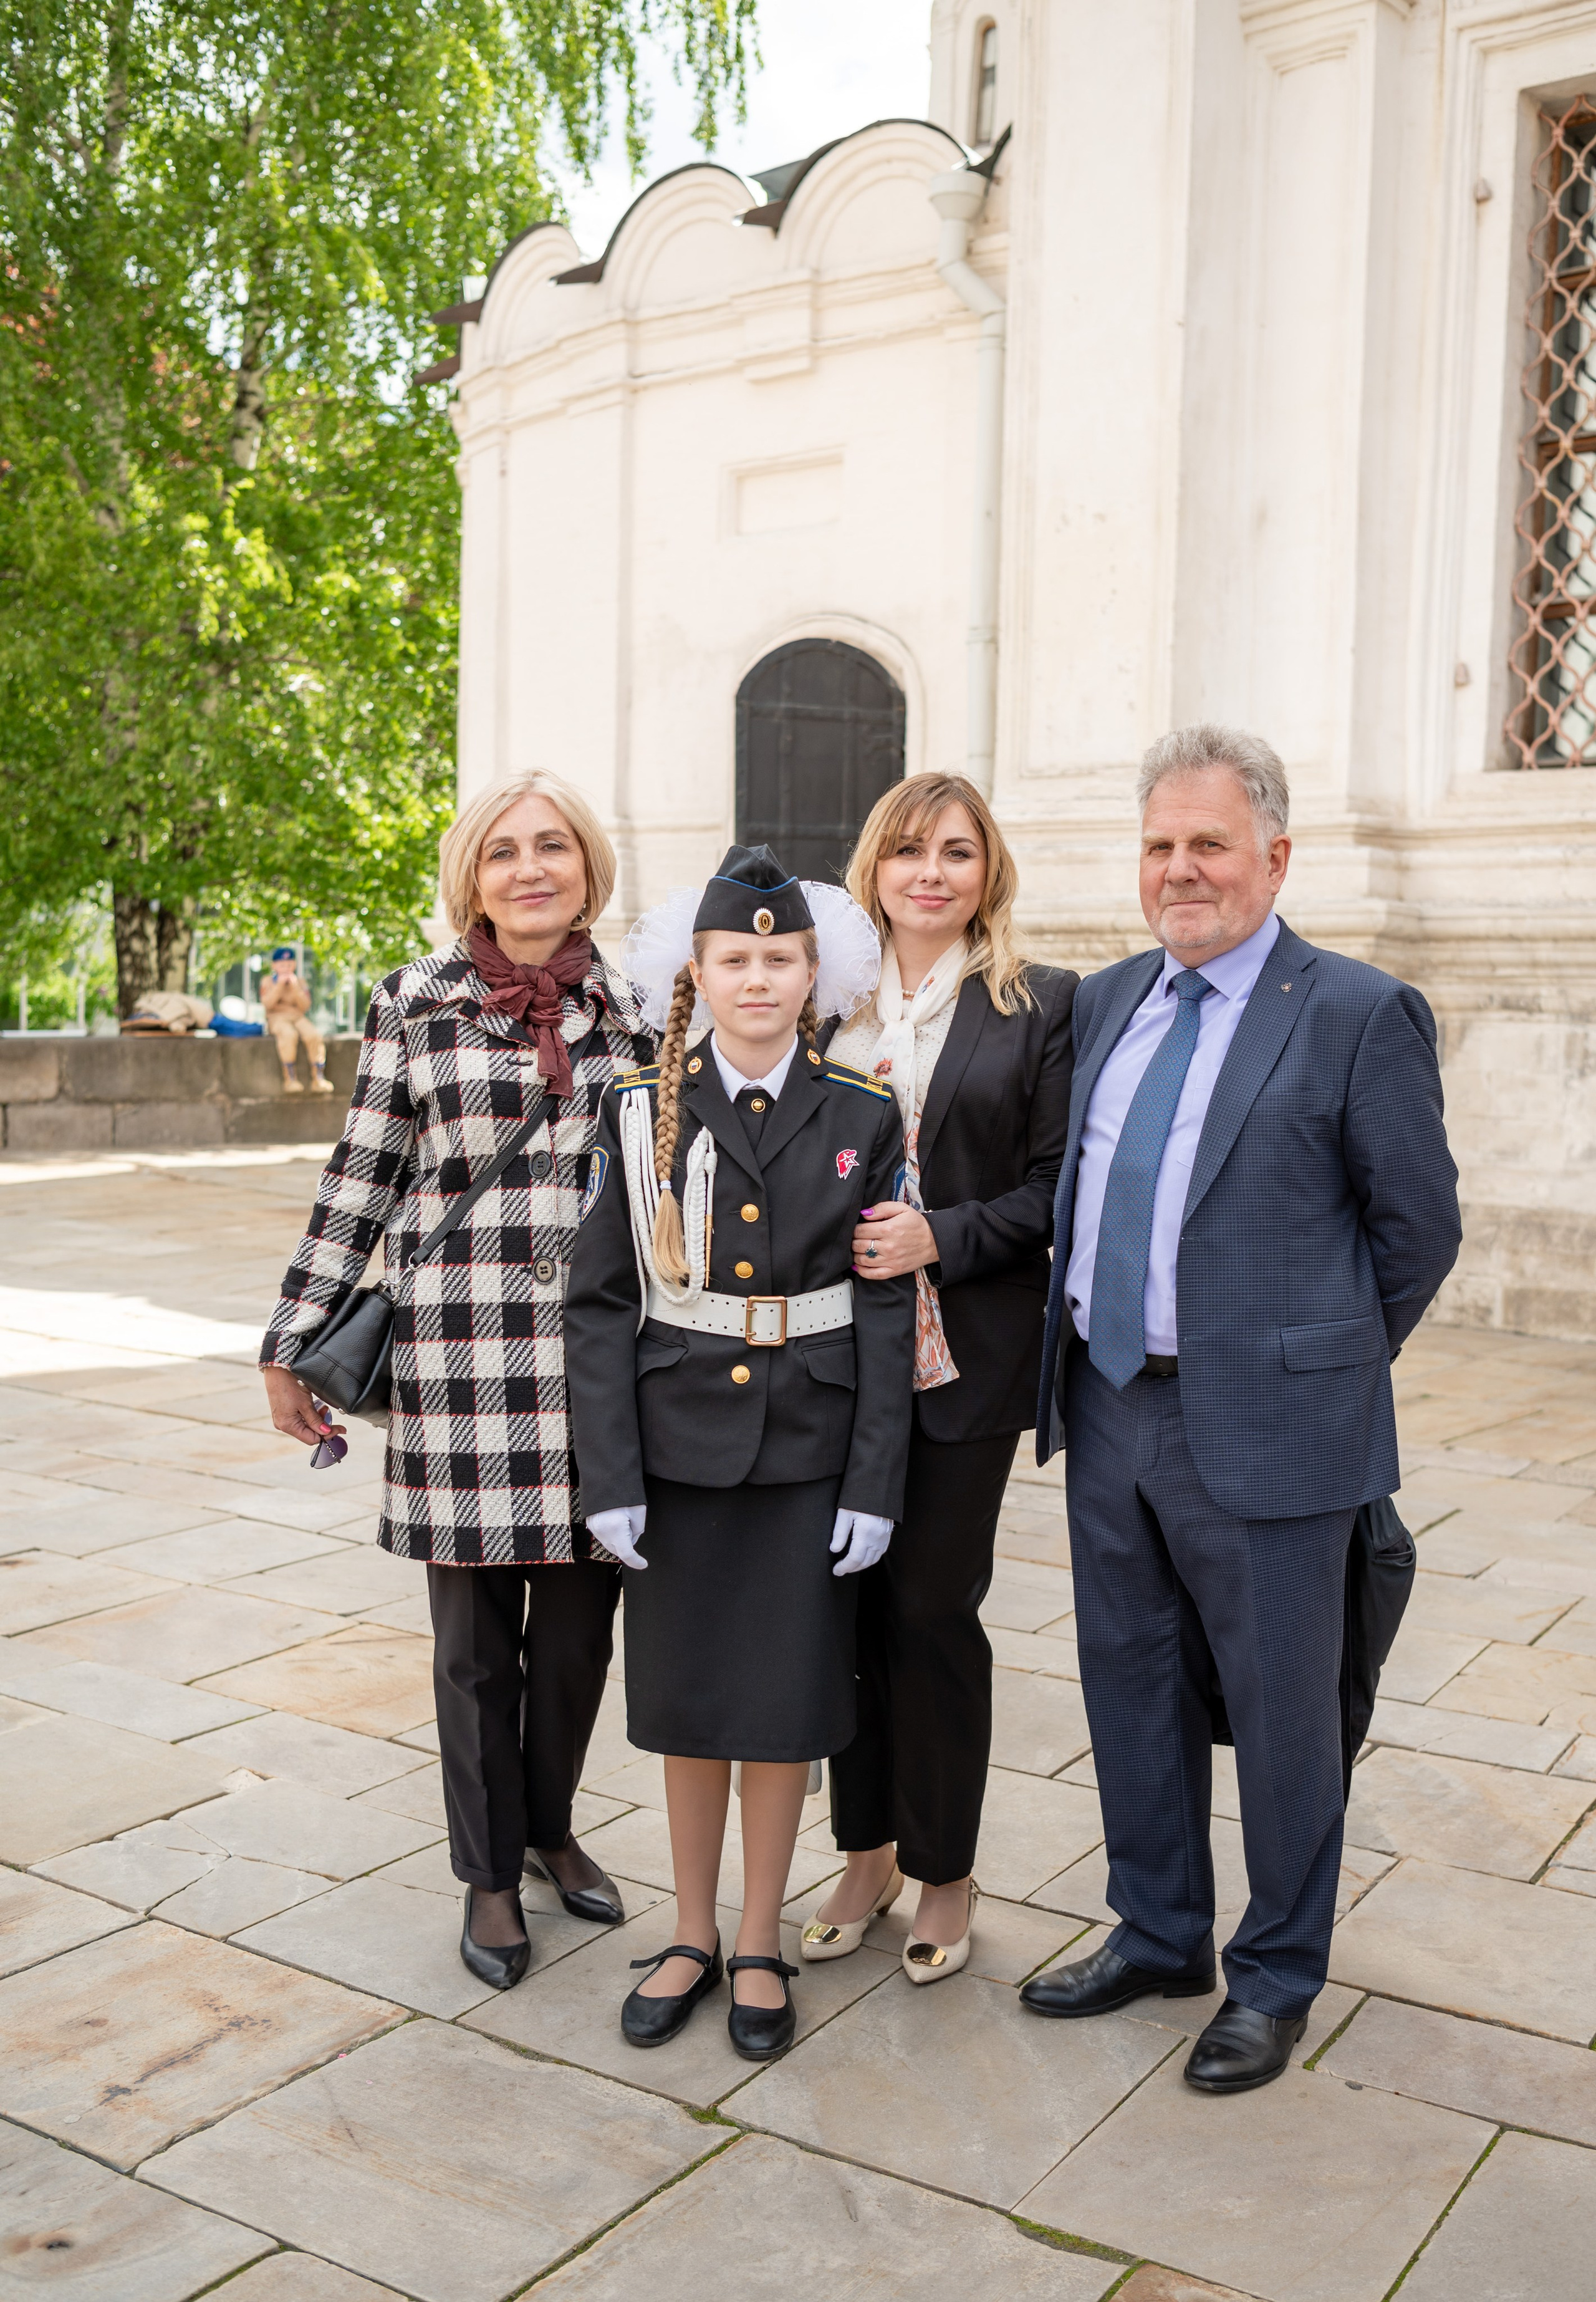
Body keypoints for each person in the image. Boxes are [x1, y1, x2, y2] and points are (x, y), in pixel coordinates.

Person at [1021, 725, 1461, 2093]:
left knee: (1283, 1716)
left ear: (1275, 854)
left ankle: (1275, 1976)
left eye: (1207, 843)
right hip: (1106, 1410)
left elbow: (1417, 1231)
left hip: (1272, 1429)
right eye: (1158, 844)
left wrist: (1305, 1360)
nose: (1178, 869)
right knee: (1129, 1689)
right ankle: (1155, 1931)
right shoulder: (1101, 1003)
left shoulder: (1352, 1011)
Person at [259, 771, 653, 1991]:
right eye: (502, 852)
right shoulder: (412, 1002)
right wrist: (292, 1335)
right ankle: (487, 1871)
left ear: (587, 865)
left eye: (552, 847)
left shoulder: (642, 1012)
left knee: (581, 1638)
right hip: (459, 1360)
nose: (529, 868)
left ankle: (548, 1826)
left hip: (598, 1374)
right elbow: (361, 1179)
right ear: (471, 877)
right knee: (477, 1647)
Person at [564, 846, 916, 2061]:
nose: (757, 978)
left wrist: (875, 1480)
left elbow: (881, 1309)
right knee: (688, 1705)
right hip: (673, 1458)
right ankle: (689, 1931)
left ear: (814, 973)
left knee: (778, 1709)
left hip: (809, 1458)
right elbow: (601, 1304)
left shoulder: (863, 1114)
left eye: (779, 957)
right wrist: (605, 1475)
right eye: (734, 958)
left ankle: (759, 1937)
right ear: (694, 974)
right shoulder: (635, 1112)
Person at [804, 774, 1077, 1982]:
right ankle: (862, 1851)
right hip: (826, 1360)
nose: (930, 872)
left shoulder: (1036, 1006)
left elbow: (1057, 1190)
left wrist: (941, 1234)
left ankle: (947, 1868)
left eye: (956, 853)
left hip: (962, 1358)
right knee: (840, 1611)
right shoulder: (824, 1006)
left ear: (987, 873)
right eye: (908, 850)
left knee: (926, 1608)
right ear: (872, 867)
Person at [261, 948, 334, 1092]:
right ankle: (290, 1079)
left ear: (294, 965)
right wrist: (279, 986)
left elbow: (305, 1005)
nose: (286, 968)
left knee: (314, 1035)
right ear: (274, 966)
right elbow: (267, 1004)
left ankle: (318, 1078)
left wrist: (295, 987)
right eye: (282, 965)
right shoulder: (268, 981)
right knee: (288, 1035)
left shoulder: (300, 982)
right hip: (277, 1018)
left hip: (298, 1016)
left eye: (289, 965)